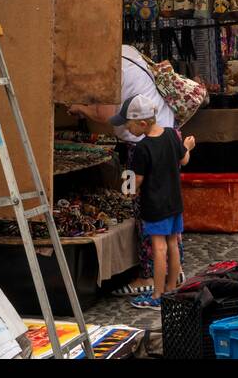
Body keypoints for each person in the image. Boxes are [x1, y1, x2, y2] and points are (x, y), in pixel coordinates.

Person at [68, 45, 178, 299]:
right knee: (169, 215)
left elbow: (106, 114)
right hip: (166, 130)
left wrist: (80, 108)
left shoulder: (107, 68)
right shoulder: (125, 51)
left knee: (147, 213)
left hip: (144, 143)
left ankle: (150, 279)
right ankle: (173, 275)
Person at [120, 94, 195, 311]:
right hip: (174, 203)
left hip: (154, 206)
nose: (127, 128)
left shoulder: (142, 148)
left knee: (159, 248)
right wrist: (188, 146)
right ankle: (171, 290)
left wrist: (127, 188)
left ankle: (157, 294)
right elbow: (184, 160)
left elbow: (138, 180)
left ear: (142, 123)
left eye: (129, 124)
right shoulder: (172, 135)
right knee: (173, 244)